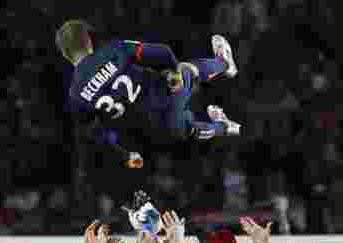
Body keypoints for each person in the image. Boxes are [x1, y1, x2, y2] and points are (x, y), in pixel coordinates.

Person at [56, 19, 240, 170]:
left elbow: (97, 132)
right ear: (89, 40)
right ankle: (224, 64)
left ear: (66, 55)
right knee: (183, 70)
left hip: (152, 133)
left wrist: (126, 154)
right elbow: (162, 52)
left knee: (184, 129)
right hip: (166, 97)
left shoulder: (75, 95)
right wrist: (172, 72)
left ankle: (225, 127)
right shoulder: (113, 51)